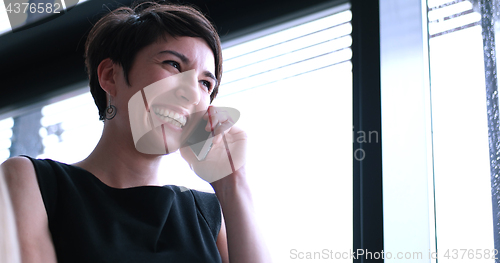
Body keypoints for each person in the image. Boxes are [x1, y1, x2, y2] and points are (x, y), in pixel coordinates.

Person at [1, 1, 271, 262]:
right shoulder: (34, 182)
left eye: (205, 83)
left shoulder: (209, 215)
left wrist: (233, 183)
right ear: (110, 76)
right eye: (173, 64)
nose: (191, 93)